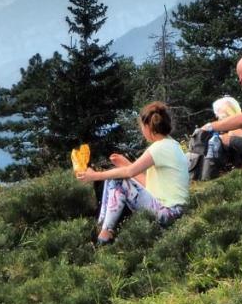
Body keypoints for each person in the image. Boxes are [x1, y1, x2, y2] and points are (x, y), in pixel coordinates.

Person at [76, 102, 189, 245]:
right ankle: (103, 229)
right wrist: (126, 164)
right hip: (175, 211)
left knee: (117, 180)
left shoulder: (158, 148)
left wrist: (94, 176)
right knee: (117, 177)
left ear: (148, 126)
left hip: (168, 214)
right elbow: (148, 184)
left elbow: (128, 173)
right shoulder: (172, 145)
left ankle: (104, 232)